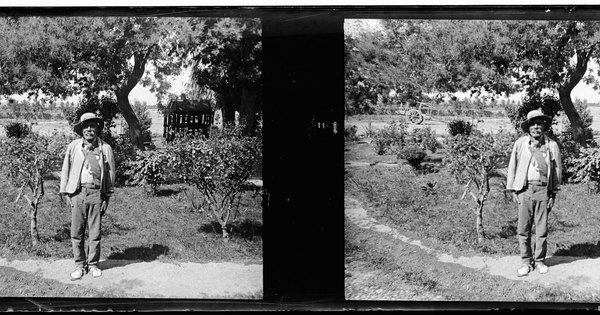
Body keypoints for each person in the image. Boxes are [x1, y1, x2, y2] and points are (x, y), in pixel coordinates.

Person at [59, 112, 116, 281]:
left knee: (95, 232)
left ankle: (93, 265)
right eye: (86, 126)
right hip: (77, 193)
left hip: (96, 194)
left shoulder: (105, 148)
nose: (89, 129)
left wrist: (106, 196)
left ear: (97, 128)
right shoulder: (74, 146)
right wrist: (66, 191)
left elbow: (111, 173)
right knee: (76, 232)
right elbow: (66, 169)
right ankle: (79, 265)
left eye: (92, 126)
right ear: (81, 129)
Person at [506, 109, 561, 277]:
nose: (536, 127)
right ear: (528, 127)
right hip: (524, 190)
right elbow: (512, 166)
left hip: (543, 190)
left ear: (544, 126)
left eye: (539, 124)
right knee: (523, 228)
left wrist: (553, 193)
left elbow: (557, 170)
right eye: (533, 124)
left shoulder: (551, 145)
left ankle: (539, 261)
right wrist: (513, 189)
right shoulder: (520, 143)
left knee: (541, 229)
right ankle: (525, 261)